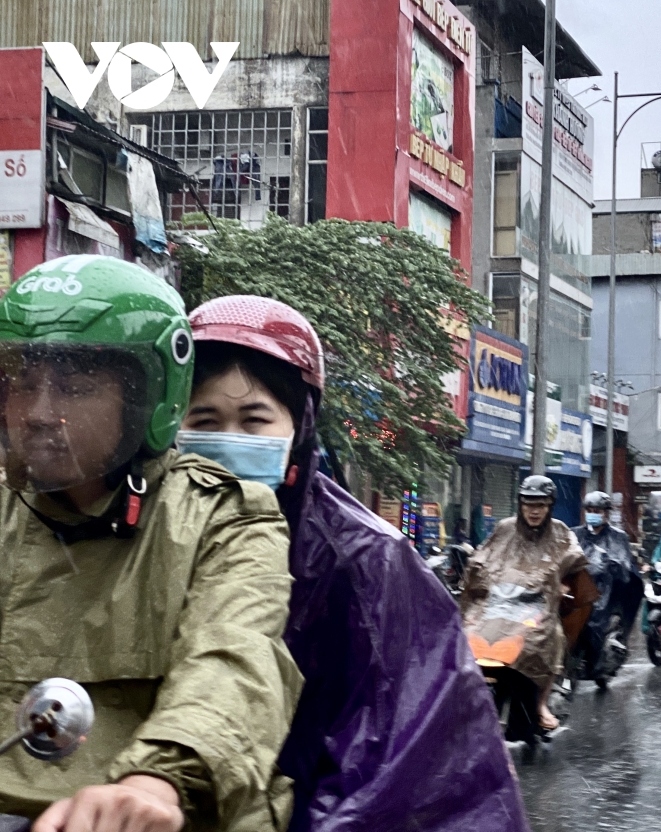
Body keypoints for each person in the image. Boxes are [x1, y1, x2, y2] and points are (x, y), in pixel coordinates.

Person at [182, 296, 529, 832]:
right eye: (207, 420)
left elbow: (406, 763)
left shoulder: (367, 561)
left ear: (300, 425)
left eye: (254, 420)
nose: (231, 440)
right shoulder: (147, 533)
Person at [0, 257, 299, 831]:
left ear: (147, 399)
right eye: (22, 384)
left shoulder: (225, 516)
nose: (38, 414)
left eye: (75, 387)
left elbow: (233, 662)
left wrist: (157, 781)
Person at [461, 475, 598, 732]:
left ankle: (541, 703)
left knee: (553, 637)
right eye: (528, 504)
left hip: (537, 607)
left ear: (549, 507)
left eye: (541, 505)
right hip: (497, 604)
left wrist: (563, 582)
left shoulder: (561, 533)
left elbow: (575, 558)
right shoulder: (504, 528)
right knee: (467, 635)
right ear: (520, 504)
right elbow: (483, 557)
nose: (534, 510)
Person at [571, 491, 643, 665]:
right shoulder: (574, 534)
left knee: (595, 624)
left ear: (606, 513)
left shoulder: (617, 537)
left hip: (604, 591)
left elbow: (624, 564)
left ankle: (597, 660)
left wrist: (610, 565)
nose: (593, 514)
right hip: (578, 588)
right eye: (590, 510)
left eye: (598, 511)